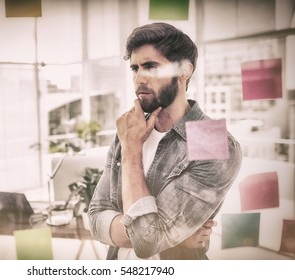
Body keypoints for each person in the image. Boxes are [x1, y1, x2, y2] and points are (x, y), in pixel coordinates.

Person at [87, 22, 243, 260]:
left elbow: (148, 242)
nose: (139, 78)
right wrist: (176, 236)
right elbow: (95, 218)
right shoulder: (130, 130)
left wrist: (131, 152)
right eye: (135, 68)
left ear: (184, 71)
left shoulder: (211, 138)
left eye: (150, 66)